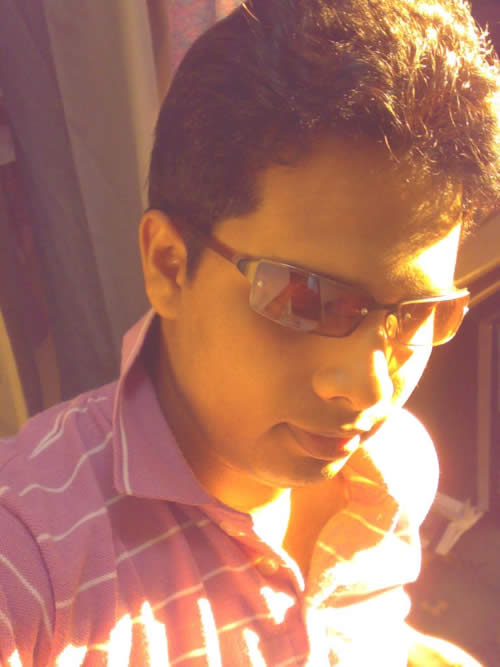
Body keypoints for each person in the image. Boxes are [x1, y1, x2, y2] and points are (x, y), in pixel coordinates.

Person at [1, 0, 499, 664]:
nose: (370, 388)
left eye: (414, 314)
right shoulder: (35, 562)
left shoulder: (396, 465)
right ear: (168, 265)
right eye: (305, 299)